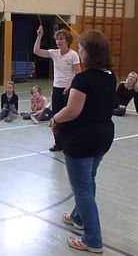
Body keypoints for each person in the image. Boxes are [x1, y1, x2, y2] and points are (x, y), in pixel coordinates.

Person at [51, 29, 116, 253]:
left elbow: (72, 111)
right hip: (103, 137)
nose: (79, 50)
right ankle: (78, 218)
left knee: (83, 190)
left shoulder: (83, 79)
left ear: (89, 53)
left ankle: (93, 240)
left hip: (82, 141)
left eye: (81, 47)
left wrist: (54, 118)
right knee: (88, 180)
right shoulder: (110, 75)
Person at [34, 26, 81, 151]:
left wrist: (70, 85)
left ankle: (69, 142)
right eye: (57, 39)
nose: (58, 41)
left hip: (69, 90)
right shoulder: (54, 53)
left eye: (61, 39)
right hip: (57, 89)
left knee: (68, 117)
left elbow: (78, 73)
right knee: (56, 117)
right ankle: (58, 143)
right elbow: (37, 51)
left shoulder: (73, 55)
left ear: (67, 40)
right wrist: (39, 36)